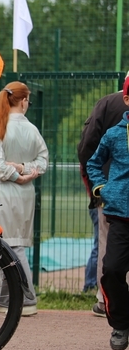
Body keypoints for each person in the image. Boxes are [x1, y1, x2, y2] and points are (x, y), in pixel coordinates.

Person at [0, 82, 48, 317]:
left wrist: (16, 174)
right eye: (28, 100)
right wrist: (24, 170)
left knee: (10, 245)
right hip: (25, 194)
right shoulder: (32, 130)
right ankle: (4, 298)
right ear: (23, 101)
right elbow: (43, 161)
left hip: (2, 192)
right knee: (12, 243)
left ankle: (27, 297)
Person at [77, 72, 129, 317]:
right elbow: (91, 152)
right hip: (115, 198)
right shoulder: (115, 128)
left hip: (110, 194)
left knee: (106, 245)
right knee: (112, 255)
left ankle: (103, 300)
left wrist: (96, 186)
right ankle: (115, 309)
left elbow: (87, 145)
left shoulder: (106, 103)